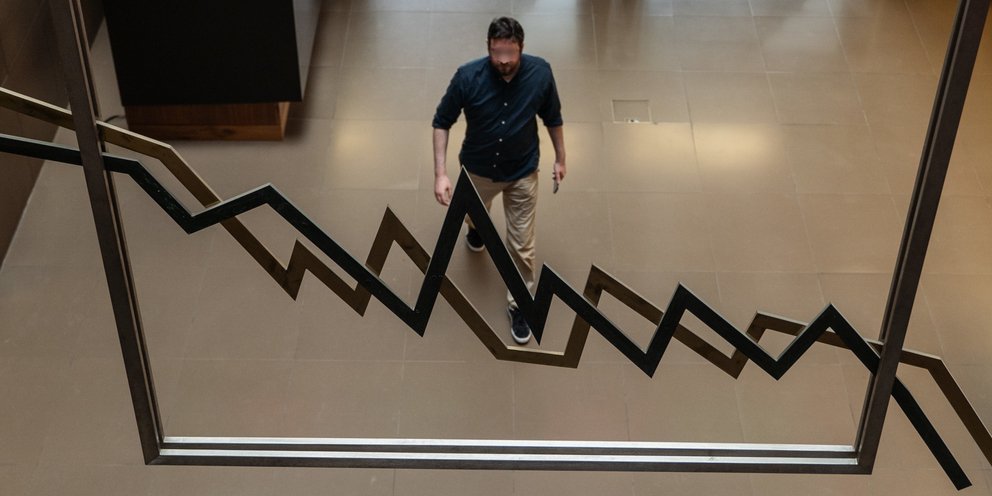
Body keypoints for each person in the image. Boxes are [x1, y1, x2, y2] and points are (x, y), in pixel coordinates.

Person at [431, 16, 566, 345]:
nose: (504, 60)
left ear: (522, 47)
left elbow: (553, 118)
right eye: (497, 52)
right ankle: (476, 227)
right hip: (478, 169)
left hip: (522, 172)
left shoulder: (541, 73)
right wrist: (441, 174)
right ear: (488, 47)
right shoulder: (467, 77)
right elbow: (441, 121)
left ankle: (520, 305)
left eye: (510, 52)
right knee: (474, 215)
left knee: (522, 245)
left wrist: (561, 158)